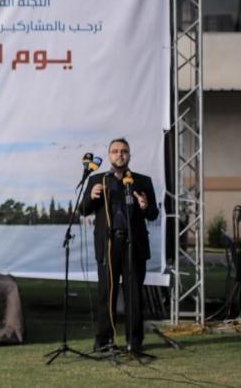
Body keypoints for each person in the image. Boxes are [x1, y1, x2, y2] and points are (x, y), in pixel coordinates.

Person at [79, 138, 159, 353]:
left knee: (134, 295)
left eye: (124, 151)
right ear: (109, 156)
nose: (119, 154)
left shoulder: (142, 181)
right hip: (108, 244)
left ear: (129, 155)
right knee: (106, 293)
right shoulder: (97, 180)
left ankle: (134, 341)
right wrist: (91, 196)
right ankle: (104, 340)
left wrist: (145, 206)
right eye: (115, 151)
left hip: (134, 245)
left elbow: (153, 214)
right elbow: (83, 210)